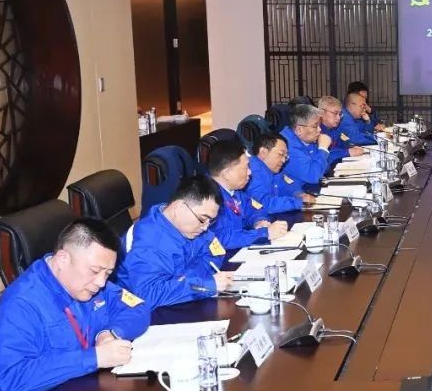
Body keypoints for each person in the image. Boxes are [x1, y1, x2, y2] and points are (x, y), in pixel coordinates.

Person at [0, 219, 151, 391]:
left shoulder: (89, 285)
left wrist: (109, 333)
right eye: (95, 271)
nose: (101, 282)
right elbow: (13, 381)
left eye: (108, 273)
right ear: (63, 259)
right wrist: (94, 357)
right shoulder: (20, 305)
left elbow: (138, 307)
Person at [117, 175, 235, 309]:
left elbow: (217, 252)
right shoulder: (149, 242)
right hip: (139, 312)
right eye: (203, 219)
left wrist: (188, 279)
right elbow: (149, 295)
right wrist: (205, 285)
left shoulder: (192, 227)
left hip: (179, 303)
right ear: (179, 207)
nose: (205, 227)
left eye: (211, 221)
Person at [206, 140, 289, 249]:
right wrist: (264, 233)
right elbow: (219, 239)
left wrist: (259, 221)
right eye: (246, 168)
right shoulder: (207, 198)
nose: (250, 172)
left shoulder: (235, 191)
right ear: (226, 173)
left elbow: (255, 208)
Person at [247, 132, 310, 214]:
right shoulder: (251, 172)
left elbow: (287, 186)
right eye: (280, 154)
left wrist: (299, 194)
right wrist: (298, 202)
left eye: (286, 156)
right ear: (263, 152)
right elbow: (264, 205)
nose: (283, 160)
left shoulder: (273, 169)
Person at [279, 103, 332, 193]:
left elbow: (326, 168)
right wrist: (323, 149)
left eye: (319, 125)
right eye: (315, 126)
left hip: (307, 188)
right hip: (294, 195)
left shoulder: (306, 139)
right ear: (299, 130)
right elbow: (314, 176)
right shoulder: (286, 146)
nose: (319, 130)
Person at [318, 95, 365, 167]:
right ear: (322, 113)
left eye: (340, 114)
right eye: (335, 113)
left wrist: (351, 147)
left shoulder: (334, 129)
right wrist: (347, 152)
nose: (338, 118)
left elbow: (343, 144)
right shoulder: (315, 131)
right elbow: (321, 156)